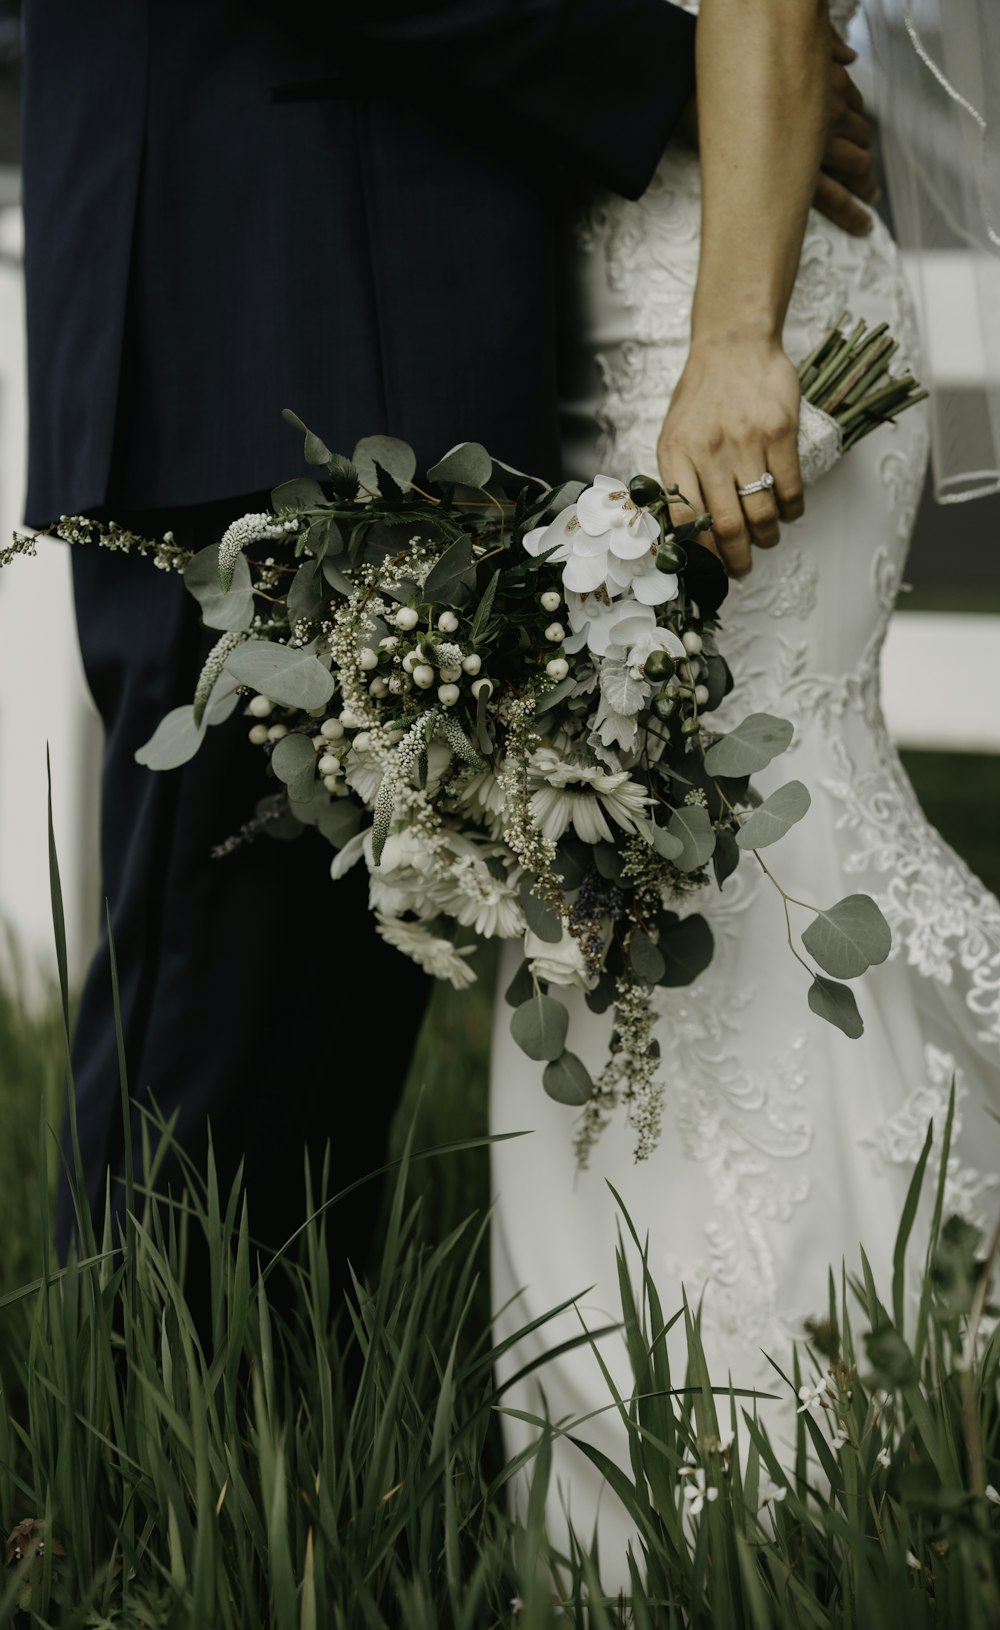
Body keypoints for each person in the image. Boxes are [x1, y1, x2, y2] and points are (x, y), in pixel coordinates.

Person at [20, 1, 877, 1310]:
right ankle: (138, 1495)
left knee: (294, 1067)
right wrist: (684, 67)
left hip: (317, 307)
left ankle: (278, 1484)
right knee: (215, 1052)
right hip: (274, 310)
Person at [489, 0, 1000, 1583]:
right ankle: (718, 1488)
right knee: (613, 883)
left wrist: (734, 336)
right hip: (631, 298)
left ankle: (823, 1456)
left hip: (724, 318)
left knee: (742, 839)